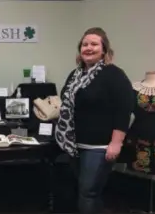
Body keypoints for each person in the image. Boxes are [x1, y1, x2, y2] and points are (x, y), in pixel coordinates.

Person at [55, 27, 134, 214]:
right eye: (84, 44)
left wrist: (116, 143)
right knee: (82, 191)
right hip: (75, 145)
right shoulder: (75, 75)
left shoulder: (114, 75)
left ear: (104, 49)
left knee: (88, 192)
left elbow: (124, 111)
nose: (88, 48)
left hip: (99, 147)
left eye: (94, 44)